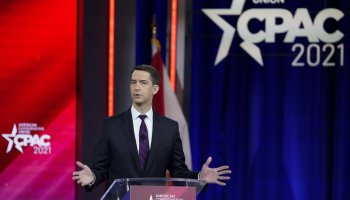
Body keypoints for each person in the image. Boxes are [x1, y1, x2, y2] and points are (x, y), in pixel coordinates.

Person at [72, 64, 231, 191]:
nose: (136, 87)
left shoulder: (170, 128)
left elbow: (179, 172)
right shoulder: (111, 125)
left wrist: (199, 178)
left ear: (155, 89)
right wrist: (92, 177)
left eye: (143, 83)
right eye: (133, 82)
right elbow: (100, 168)